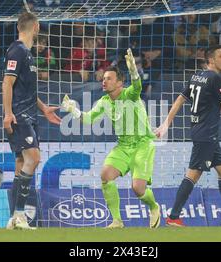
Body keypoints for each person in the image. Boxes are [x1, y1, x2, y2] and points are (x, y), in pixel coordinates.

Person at [155, 45, 221, 227]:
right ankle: (173, 216)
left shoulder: (197, 76)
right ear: (211, 60)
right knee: (193, 175)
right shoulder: (216, 78)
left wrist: (166, 123)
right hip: (206, 134)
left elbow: (180, 99)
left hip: (204, 133)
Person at [61, 49, 161, 229]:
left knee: (138, 189)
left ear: (120, 83)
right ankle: (117, 221)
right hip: (123, 147)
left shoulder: (130, 94)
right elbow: (88, 119)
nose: (104, 81)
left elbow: (137, 86)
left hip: (142, 145)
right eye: (104, 78)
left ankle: (154, 207)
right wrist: (72, 110)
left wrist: (133, 71)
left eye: (109, 78)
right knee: (106, 176)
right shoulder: (104, 101)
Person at [3, 12, 61, 230]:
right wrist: (8, 113)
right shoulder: (17, 50)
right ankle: (19, 214)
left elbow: (26, 89)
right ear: (35, 26)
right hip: (19, 115)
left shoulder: (27, 54)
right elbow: (7, 83)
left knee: (21, 164)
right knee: (34, 158)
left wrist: (44, 108)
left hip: (30, 114)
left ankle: (14, 218)